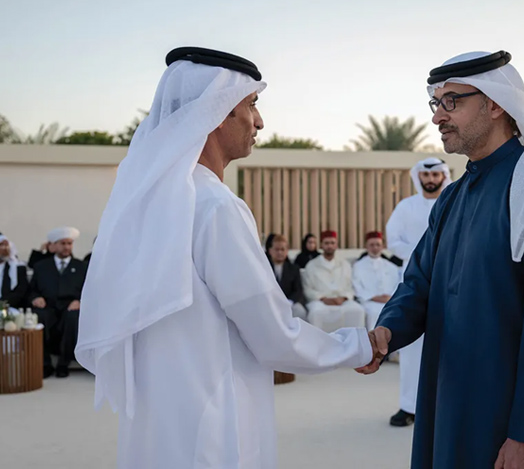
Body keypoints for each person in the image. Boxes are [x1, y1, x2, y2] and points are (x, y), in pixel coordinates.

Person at [74, 48, 373, 469]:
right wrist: (359, 346)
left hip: (158, 421)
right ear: (216, 112)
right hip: (211, 426)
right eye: (251, 104)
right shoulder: (215, 206)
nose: (259, 121)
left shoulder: (148, 205)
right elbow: (272, 333)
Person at [358, 50, 524, 468]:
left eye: (452, 102)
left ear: (495, 104)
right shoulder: (453, 197)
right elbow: (419, 282)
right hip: (450, 397)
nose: (437, 117)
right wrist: (388, 330)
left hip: (509, 416)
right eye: (436, 103)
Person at [384, 156, 452, 427]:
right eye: (426, 175)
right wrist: (423, 256)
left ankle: (446, 408)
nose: (430, 180)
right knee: (412, 348)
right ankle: (409, 406)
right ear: (418, 176)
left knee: (450, 344)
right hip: (415, 282)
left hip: (449, 279)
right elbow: (393, 241)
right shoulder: (406, 206)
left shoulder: (453, 201)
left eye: (435, 175)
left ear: (443, 176)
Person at [30, 226, 87, 378]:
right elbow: (32, 290)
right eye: (63, 243)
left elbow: (89, 290)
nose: (67, 247)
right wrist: (35, 298)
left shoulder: (81, 266)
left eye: (69, 243)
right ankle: (45, 364)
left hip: (70, 306)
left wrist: (79, 301)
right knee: (39, 317)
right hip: (48, 307)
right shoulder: (41, 266)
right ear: (54, 245)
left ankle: (63, 363)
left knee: (73, 318)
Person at [302, 230, 366, 332]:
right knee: (316, 313)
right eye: (326, 243)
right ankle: (318, 341)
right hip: (320, 301)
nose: (329, 246)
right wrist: (323, 298)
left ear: (336, 245)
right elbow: (307, 289)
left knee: (357, 311)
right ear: (321, 245)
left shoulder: (345, 264)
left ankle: (352, 341)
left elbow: (351, 286)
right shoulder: (312, 265)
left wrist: (344, 297)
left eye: (332, 243)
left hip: (342, 301)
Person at [352, 231, 400, 330]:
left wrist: (390, 297)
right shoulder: (358, 265)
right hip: (370, 302)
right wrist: (374, 297)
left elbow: (398, 284)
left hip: (390, 300)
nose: (375, 248)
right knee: (374, 313)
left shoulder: (392, 266)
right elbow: (356, 286)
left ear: (382, 246)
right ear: (366, 246)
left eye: (378, 245)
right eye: (372, 245)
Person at [268, 235, 307, 320]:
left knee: (300, 312)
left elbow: (298, 290)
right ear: (270, 251)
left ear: (287, 251)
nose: (280, 252)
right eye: (277, 249)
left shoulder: (294, 269)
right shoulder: (264, 268)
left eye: (282, 249)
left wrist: (290, 302)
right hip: (269, 303)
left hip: (290, 303)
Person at [0, 234, 29, 310]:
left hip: (9, 307)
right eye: (1, 245)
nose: (4, 248)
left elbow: (19, 292)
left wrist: (2, 304)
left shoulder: (18, 268)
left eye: (6, 245)